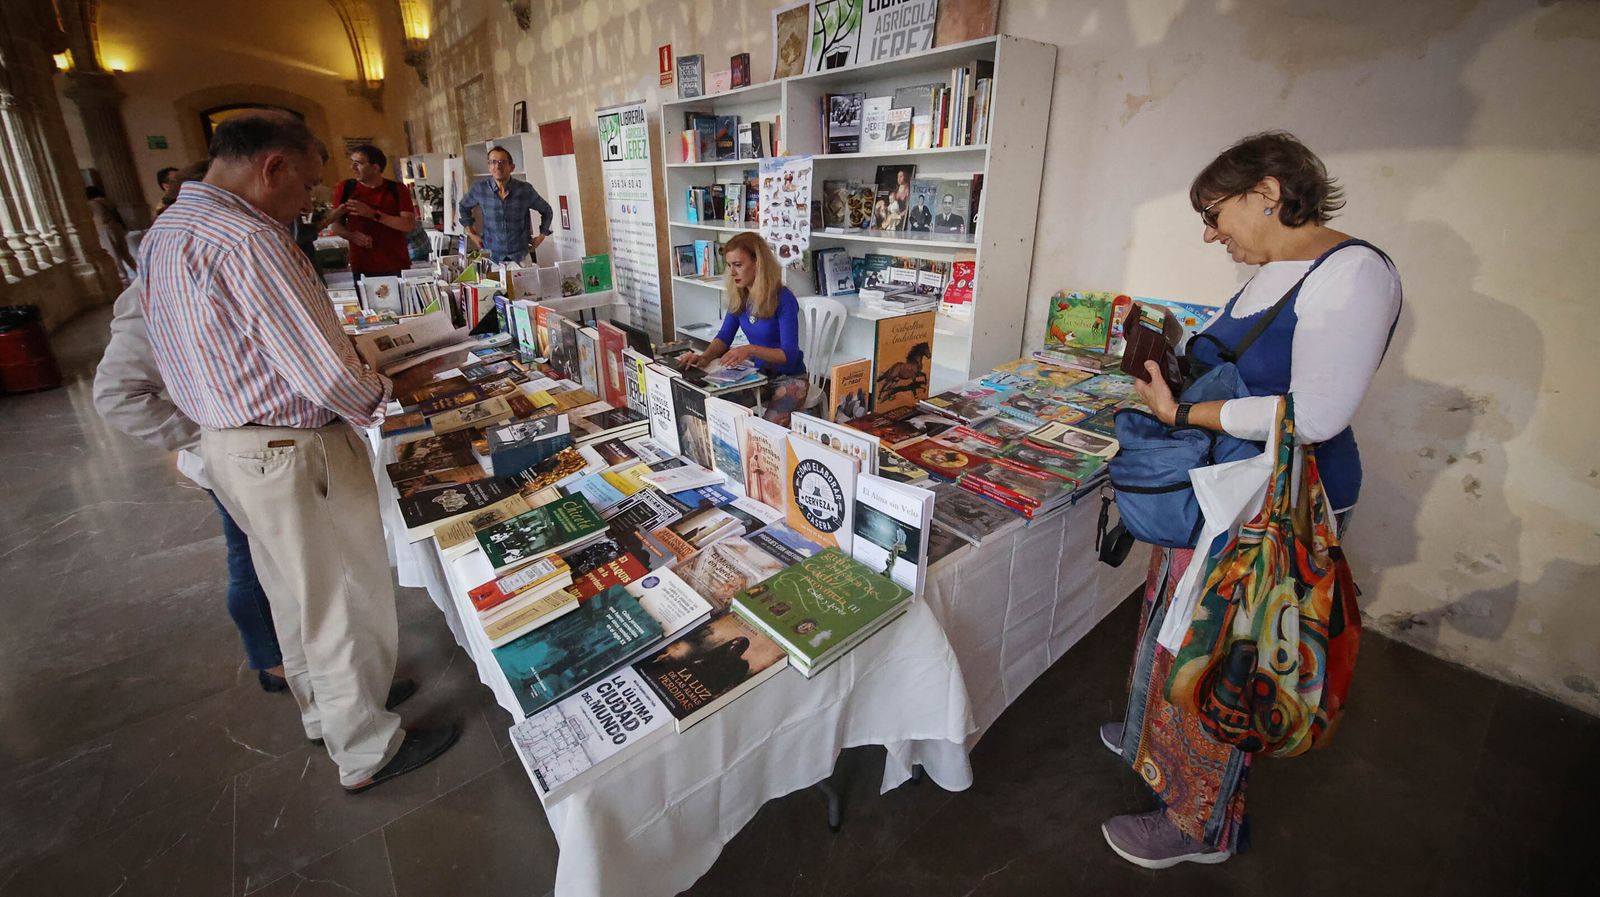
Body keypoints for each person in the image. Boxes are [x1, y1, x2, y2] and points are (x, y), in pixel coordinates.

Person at [1100, 131, 1401, 869]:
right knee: (1174, 626)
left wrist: (1183, 412)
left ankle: (1197, 823)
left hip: (1278, 505)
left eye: (1214, 214)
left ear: (1267, 193)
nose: (1211, 234)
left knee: (1225, 658)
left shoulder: (1353, 273)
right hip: (1221, 488)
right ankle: (1150, 737)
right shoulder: (1269, 271)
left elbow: (1315, 414)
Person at [138, 112, 458, 793]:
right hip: (293, 447)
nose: (312, 200)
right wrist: (392, 390)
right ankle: (365, 748)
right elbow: (329, 375)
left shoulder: (166, 230)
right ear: (272, 167)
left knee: (293, 592)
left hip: (229, 444)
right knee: (342, 597)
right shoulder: (252, 240)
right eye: (309, 183)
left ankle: (329, 709)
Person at [95, 159, 288, 693]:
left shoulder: (225, 265)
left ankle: (307, 668)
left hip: (266, 448)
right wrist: (210, 433)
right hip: (235, 452)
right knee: (250, 559)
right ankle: (273, 661)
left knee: (280, 564)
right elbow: (116, 394)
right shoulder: (161, 281)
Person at [677, 232, 808, 426]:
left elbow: (788, 354)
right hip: (759, 374)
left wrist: (750, 349)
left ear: (758, 264)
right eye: (729, 265)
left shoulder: (783, 299)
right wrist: (704, 358)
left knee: (766, 431)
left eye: (738, 265)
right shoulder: (740, 296)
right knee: (716, 410)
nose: (732, 272)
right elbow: (724, 337)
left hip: (791, 378)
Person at [327, 143, 416, 277]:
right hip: (362, 264)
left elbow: (408, 225)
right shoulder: (346, 188)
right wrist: (351, 235)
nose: (352, 167)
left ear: (375, 167)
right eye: (352, 162)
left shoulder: (397, 189)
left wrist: (373, 214)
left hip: (396, 262)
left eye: (358, 163)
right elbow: (335, 224)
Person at [457, 145, 553, 263]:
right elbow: (463, 207)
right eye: (493, 162)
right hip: (491, 256)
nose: (498, 166)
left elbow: (547, 210)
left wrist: (542, 235)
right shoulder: (480, 189)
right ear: (489, 167)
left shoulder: (524, 190)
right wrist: (472, 234)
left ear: (512, 167)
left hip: (520, 256)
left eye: (502, 162)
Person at [87, 186, 137, 284]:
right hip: (116, 227)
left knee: (114, 255)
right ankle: (140, 272)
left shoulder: (92, 204)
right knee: (125, 253)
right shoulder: (108, 201)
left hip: (105, 229)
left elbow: (98, 218)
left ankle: (124, 278)